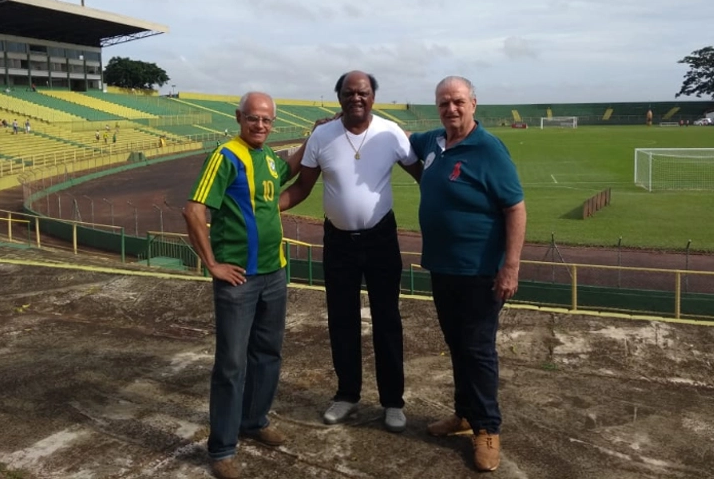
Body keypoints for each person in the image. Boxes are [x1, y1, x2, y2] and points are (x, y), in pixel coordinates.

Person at [280, 71, 421, 433]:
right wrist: (264, 206)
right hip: (339, 241)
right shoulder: (322, 135)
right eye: (348, 93)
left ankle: (392, 401)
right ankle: (347, 394)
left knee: (387, 320)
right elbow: (302, 187)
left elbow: (422, 174)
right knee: (342, 319)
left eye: (362, 92)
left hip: (381, 239)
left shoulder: (390, 133)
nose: (355, 98)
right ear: (338, 97)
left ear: (373, 96)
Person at [183, 91, 307, 479]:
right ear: (239, 117)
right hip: (239, 280)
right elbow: (194, 209)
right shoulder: (225, 156)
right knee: (232, 364)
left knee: (268, 353)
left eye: (267, 120)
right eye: (253, 118)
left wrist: (315, 140)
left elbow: (286, 178)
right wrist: (212, 264)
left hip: (275, 273)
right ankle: (222, 448)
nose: (260, 125)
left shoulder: (269, 158)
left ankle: (254, 420)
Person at [409, 76, 526, 472]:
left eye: (458, 102)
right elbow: (393, 135)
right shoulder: (432, 143)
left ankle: (487, 428)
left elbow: (515, 207)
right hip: (442, 268)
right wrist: (339, 120)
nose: (451, 109)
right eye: (444, 103)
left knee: (478, 350)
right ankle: (463, 414)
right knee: (457, 345)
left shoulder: (489, 148)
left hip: (480, 272)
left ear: (473, 103)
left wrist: (510, 266)